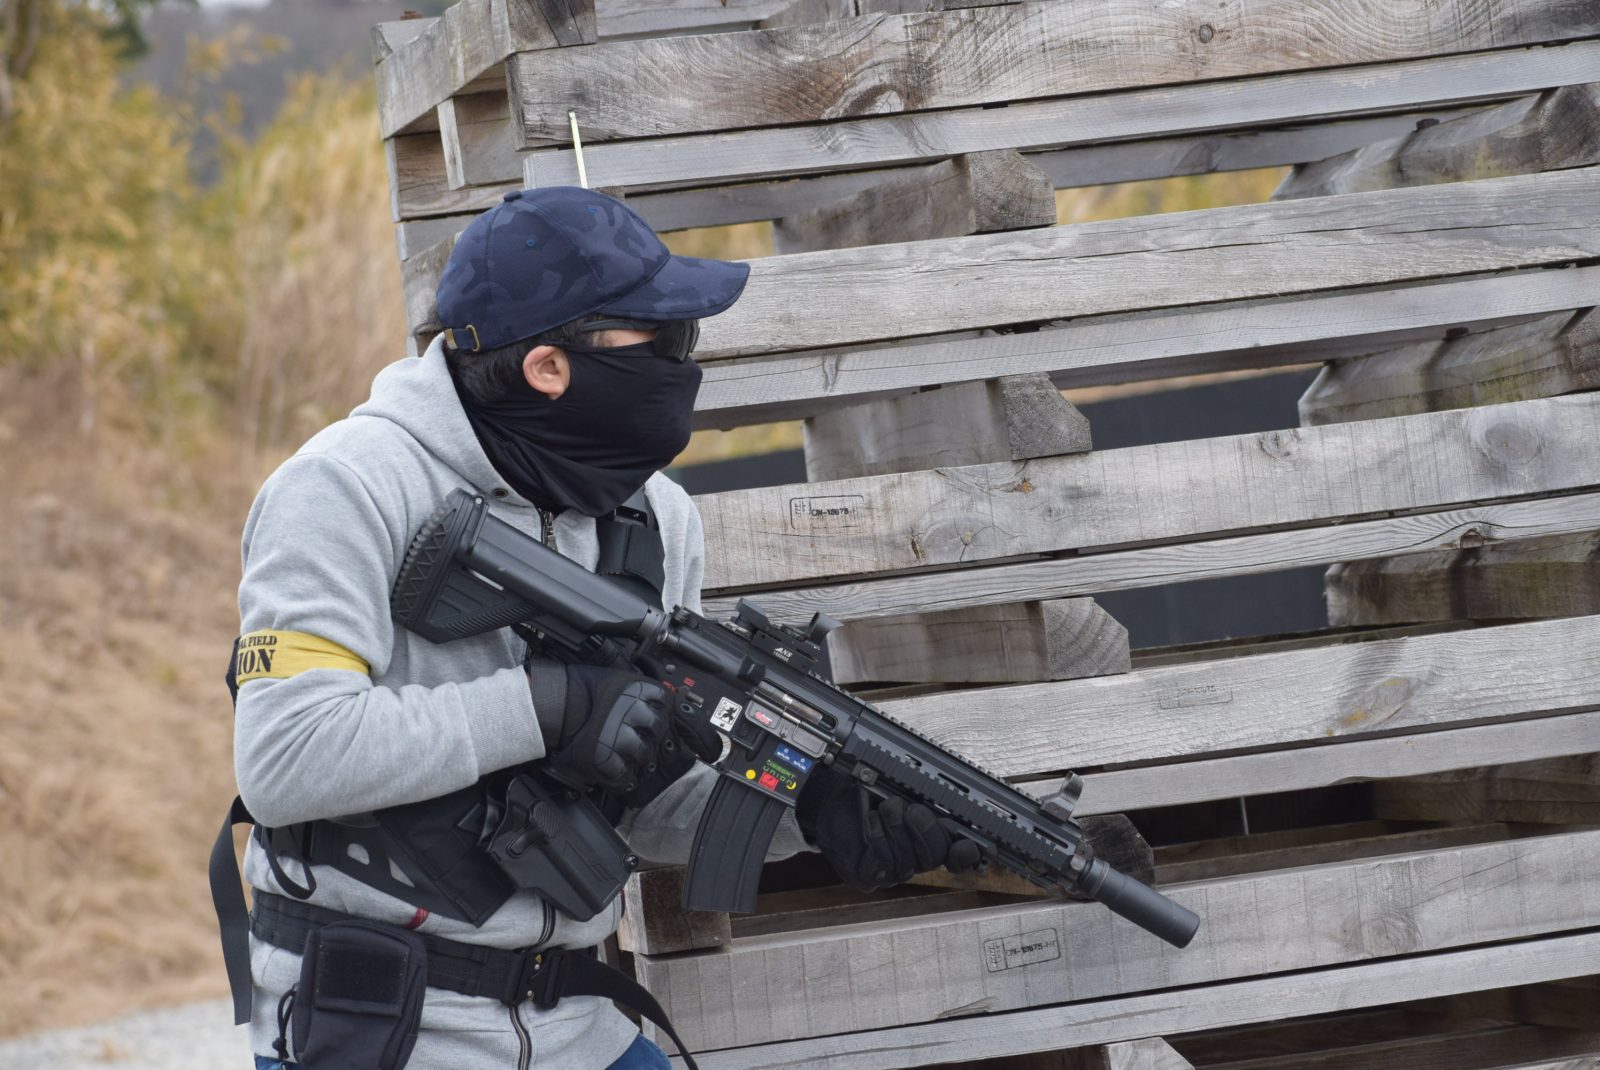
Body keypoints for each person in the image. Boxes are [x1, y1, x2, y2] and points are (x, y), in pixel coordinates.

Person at [217, 187, 981, 1070]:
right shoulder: (344, 489)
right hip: (377, 1029)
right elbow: (284, 757)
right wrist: (545, 707)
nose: (684, 360)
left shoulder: (656, 516)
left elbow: (645, 801)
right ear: (549, 367)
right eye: (665, 339)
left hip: (577, 1025)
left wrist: (807, 808)